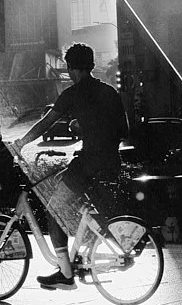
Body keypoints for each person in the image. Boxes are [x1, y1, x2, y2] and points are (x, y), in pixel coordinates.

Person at [17, 44, 128, 289]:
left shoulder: (72, 94)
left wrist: (21, 143)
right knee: (69, 192)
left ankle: (66, 274)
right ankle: (80, 244)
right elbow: (123, 130)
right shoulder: (109, 92)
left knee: (53, 208)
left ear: (71, 68)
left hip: (88, 163)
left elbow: (46, 123)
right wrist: (88, 128)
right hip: (110, 161)